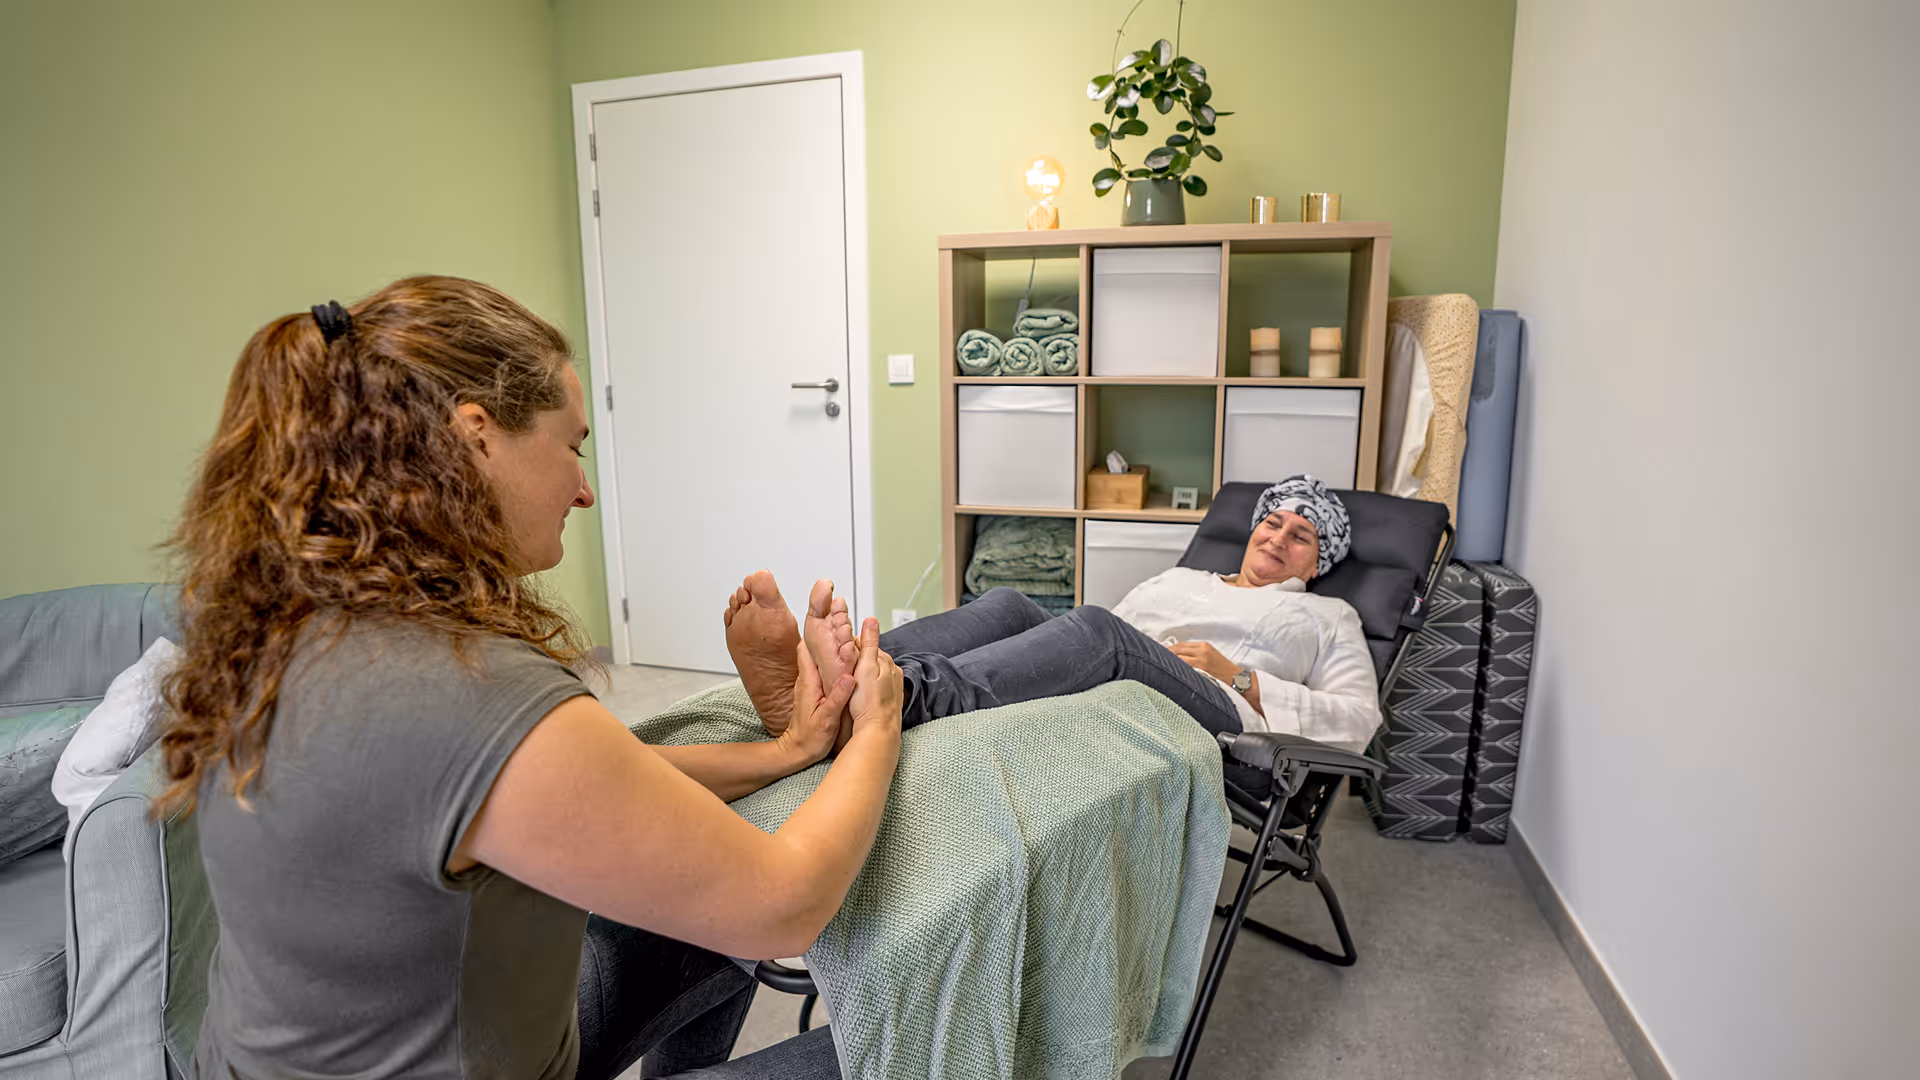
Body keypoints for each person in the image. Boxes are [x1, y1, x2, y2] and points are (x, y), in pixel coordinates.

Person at [159, 276, 899, 1080]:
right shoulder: (457, 688)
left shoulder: (301, 621)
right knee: (908, 1047)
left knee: (698, 910)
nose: (583, 489)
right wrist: (878, 727)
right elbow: (785, 907)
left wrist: (786, 752)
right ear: (476, 435)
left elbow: (589, 787)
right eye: (573, 446)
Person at [724, 476, 1381, 755]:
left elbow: (1358, 720)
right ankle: (832, 682)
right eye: (1272, 521)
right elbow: (1109, 637)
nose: (1277, 537)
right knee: (1013, 604)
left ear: (1320, 562)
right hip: (1130, 671)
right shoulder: (1183, 578)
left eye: (1301, 535)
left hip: (1219, 713)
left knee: (1097, 630)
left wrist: (1239, 677)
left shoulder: (1329, 616)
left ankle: (894, 699)